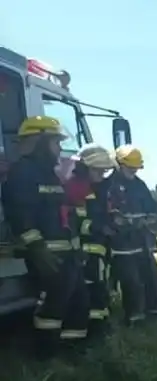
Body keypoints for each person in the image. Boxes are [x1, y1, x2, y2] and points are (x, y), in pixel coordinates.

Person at [0, 116, 90, 359]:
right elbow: (20, 213)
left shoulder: (50, 174)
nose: (59, 149)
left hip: (66, 255)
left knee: (78, 302)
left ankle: (74, 353)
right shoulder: (22, 173)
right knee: (53, 306)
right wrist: (37, 248)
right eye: (55, 143)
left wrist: (76, 247)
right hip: (48, 255)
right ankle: (47, 357)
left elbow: (63, 215)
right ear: (39, 141)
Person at [63, 143, 117, 339]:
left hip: (98, 250)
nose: (102, 175)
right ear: (85, 168)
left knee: (100, 290)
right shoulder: (76, 188)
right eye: (98, 171)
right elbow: (72, 219)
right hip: (83, 251)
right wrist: (98, 227)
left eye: (104, 171)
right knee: (88, 293)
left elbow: (103, 213)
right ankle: (85, 337)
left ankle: (98, 330)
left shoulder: (99, 188)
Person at [107, 144, 157, 326]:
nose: (133, 171)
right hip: (121, 246)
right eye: (130, 168)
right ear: (118, 164)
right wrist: (123, 221)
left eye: (136, 168)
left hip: (141, 243)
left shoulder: (139, 185)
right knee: (132, 282)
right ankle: (134, 321)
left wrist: (150, 218)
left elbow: (152, 208)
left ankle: (155, 316)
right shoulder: (109, 185)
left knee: (155, 280)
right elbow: (110, 215)